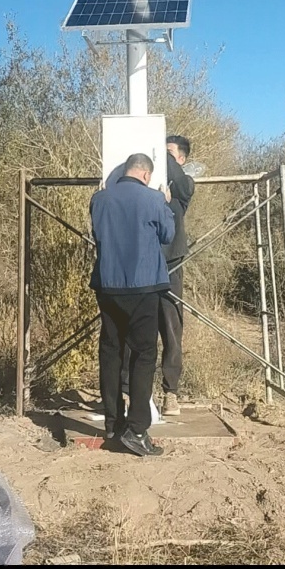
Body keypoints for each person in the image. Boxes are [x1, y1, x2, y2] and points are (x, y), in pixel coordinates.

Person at [90, 153, 175, 457]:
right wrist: (165, 204)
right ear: (146, 174)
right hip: (143, 287)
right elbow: (168, 235)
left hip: (108, 287)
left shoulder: (99, 199)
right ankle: (137, 429)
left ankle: (113, 425)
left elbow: (97, 236)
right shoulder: (153, 199)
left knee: (111, 353)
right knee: (143, 355)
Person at [159, 135, 195, 416]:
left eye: (170, 154)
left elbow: (177, 178)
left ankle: (171, 393)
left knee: (171, 328)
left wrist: (160, 150)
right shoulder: (147, 183)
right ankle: (128, 391)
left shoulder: (183, 184)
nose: (163, 159)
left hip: (170, 263)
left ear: (181, 159)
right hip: (141, 264)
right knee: (134, 329)